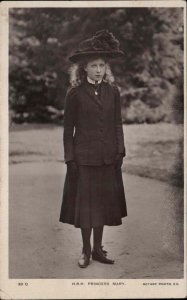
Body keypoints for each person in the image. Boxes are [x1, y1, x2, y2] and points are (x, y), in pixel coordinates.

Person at [59, 30, 127, 268]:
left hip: (108, 157)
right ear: (83, 69)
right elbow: (68, 130)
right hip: (83, 159)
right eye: (93, 65)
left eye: (102, 65)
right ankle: (86, 250)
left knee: (103, 205)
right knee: (87, 208)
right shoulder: (75, 94)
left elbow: (117, 123)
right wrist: (70, 158)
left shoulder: (113, 91)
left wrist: (121, 150)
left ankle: (98, 249)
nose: (98, 69)